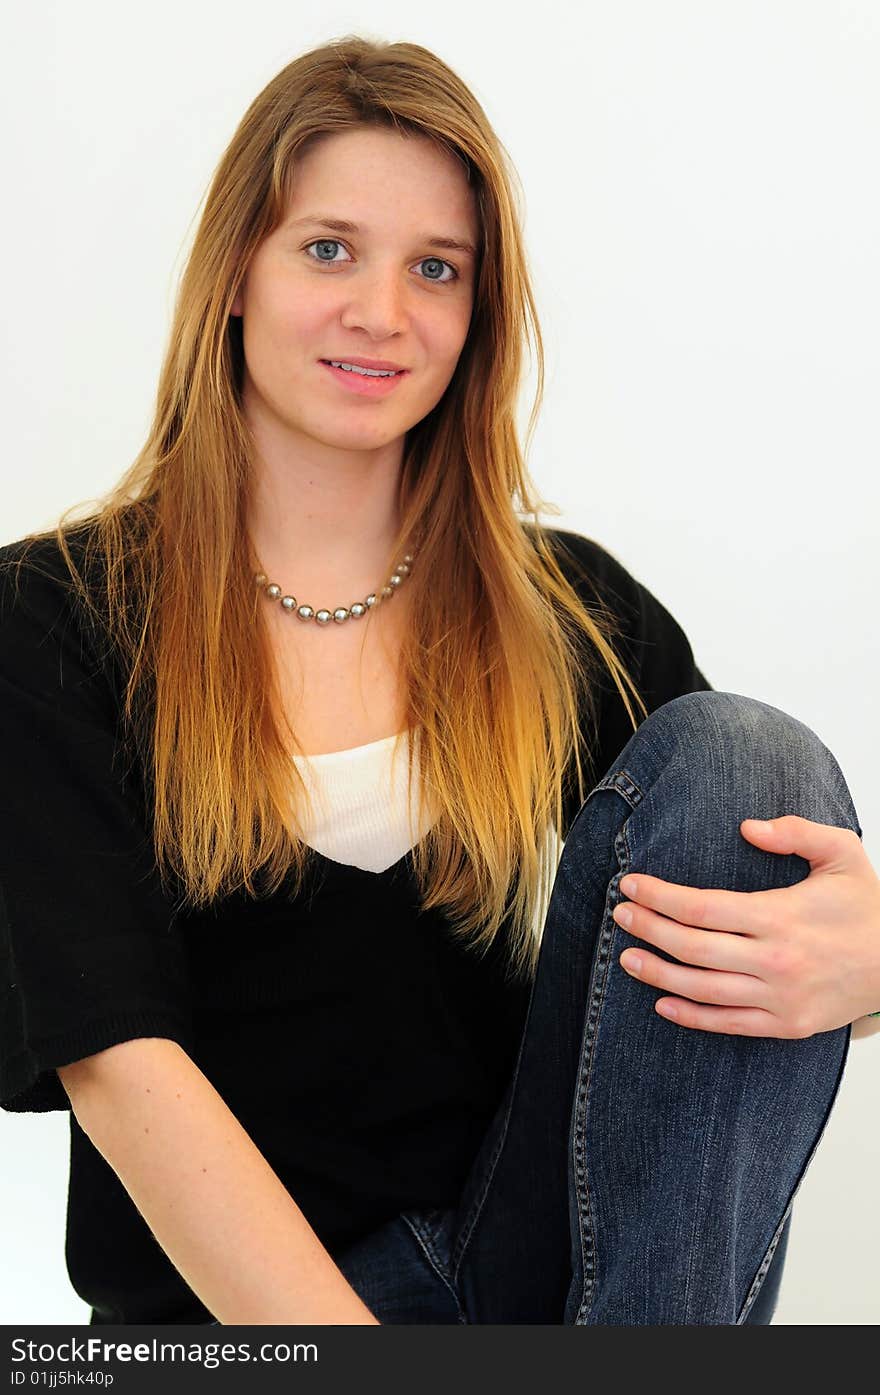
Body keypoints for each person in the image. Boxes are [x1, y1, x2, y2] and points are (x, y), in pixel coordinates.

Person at [1, 35, 878, 1328]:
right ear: (235, 273)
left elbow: (722, 1026)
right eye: (328, 250)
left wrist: (865, 964)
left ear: (477, 314)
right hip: (235, 1332)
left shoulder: (569, 617)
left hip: (537, 1278)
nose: (382, 313)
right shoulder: (56, 621)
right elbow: (121, 1067)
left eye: (436, 269)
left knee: (754, 762)